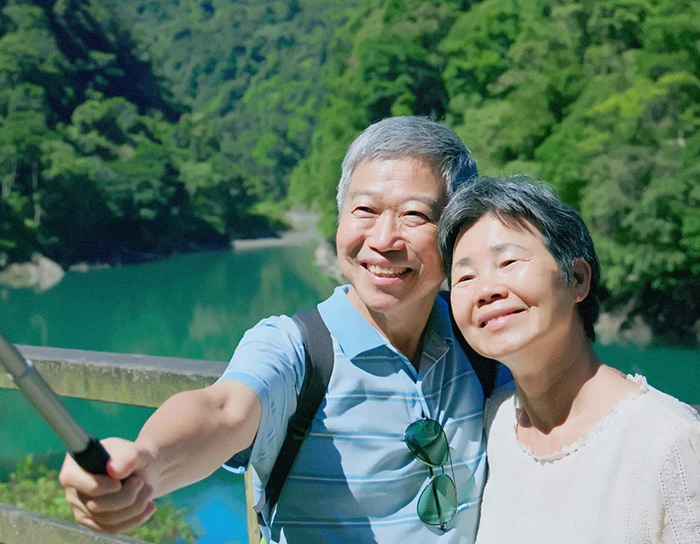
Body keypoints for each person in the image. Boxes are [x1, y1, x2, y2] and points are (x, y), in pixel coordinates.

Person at [60, 116, 495, 542]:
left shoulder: (485, 337)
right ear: (340, 218)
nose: (383, 239)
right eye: (364, 210)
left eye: (414, 215)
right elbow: (223, 409)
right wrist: (144, 463)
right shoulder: (298, 349)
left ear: (455, 232)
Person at [437, 175, 700, 544]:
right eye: (465, 277)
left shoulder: (668, 443)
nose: (486, 290)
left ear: (577, 278)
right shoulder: (495, 423)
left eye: (509, 261)